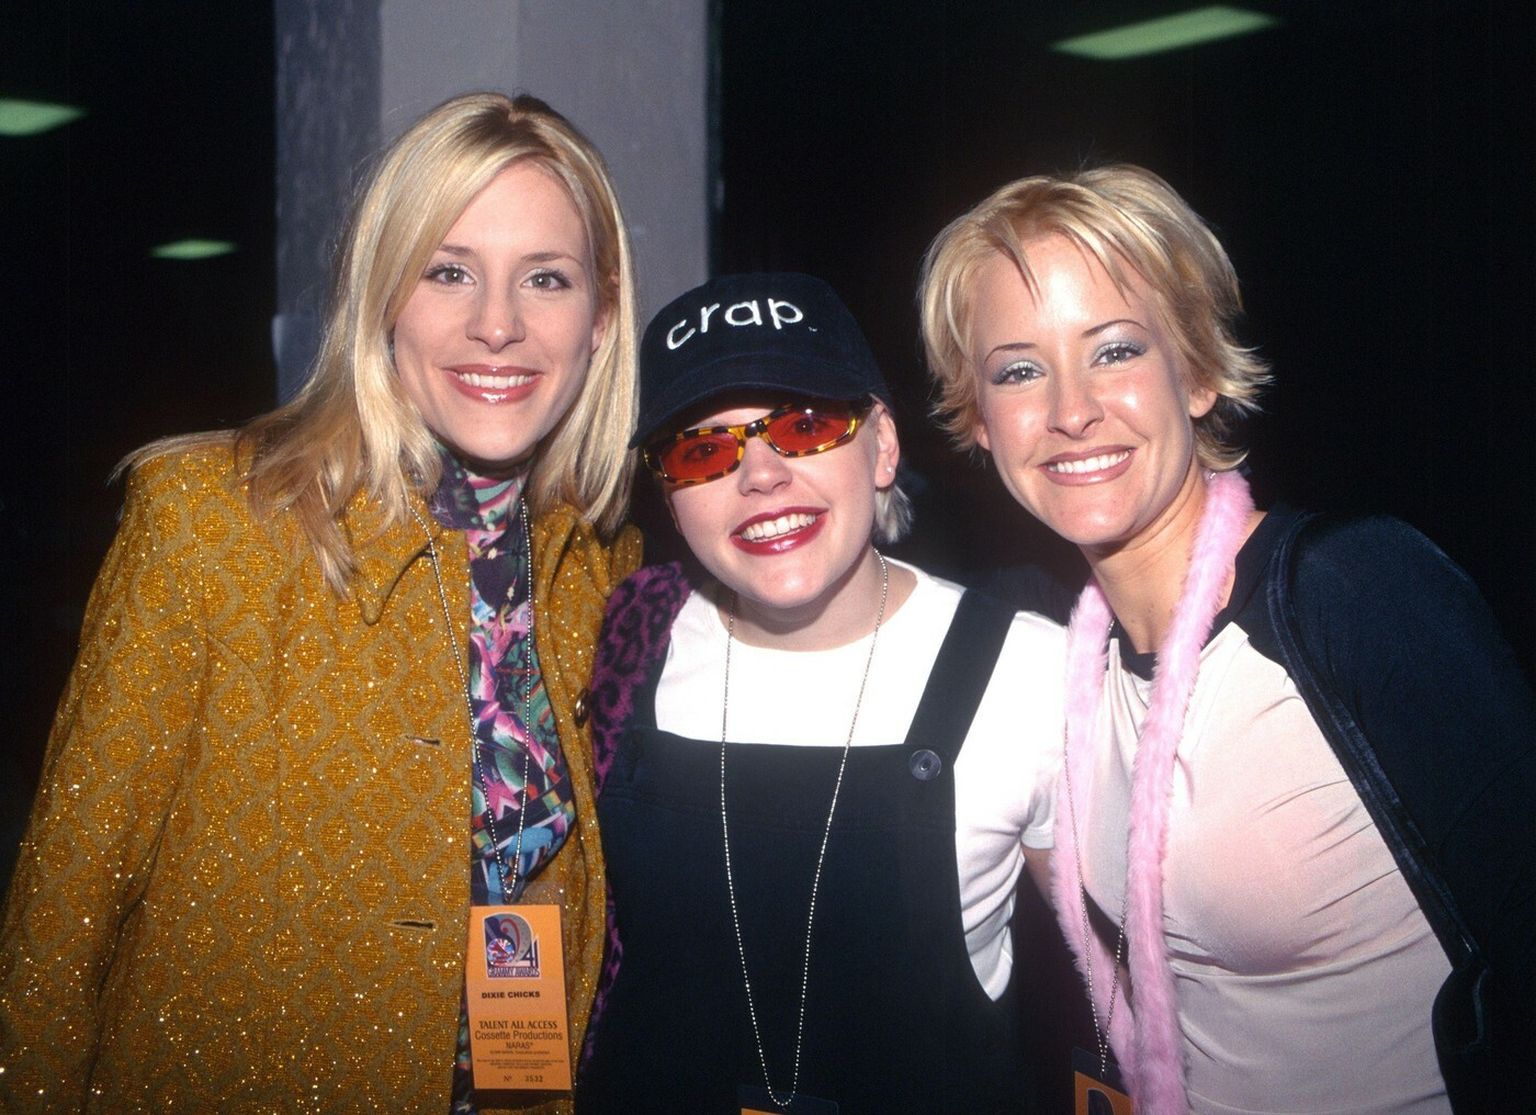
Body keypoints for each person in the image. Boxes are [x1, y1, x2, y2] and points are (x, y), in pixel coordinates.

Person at [0, 92, 642, 1113]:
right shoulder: (211, 526)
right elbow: (56, 932)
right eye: (448, 271)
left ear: (600, 318)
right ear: (384, 295)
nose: (498, 324)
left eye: (546, 278)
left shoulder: (600, 571)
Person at [919, 164, 1536, 1114]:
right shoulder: (1066, 662)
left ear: (1199, 372)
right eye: (1019, 370)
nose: (1071, 409)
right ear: (980, 421)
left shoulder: (1352, 591)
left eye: (1114, 350)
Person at [575, 273, 1065, 1113]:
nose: (760, 475)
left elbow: (1135, 989)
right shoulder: (625, 645)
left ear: (882, 446)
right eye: (703, 451)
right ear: (671, 497)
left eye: (804, 426)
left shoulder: (1029, 669)